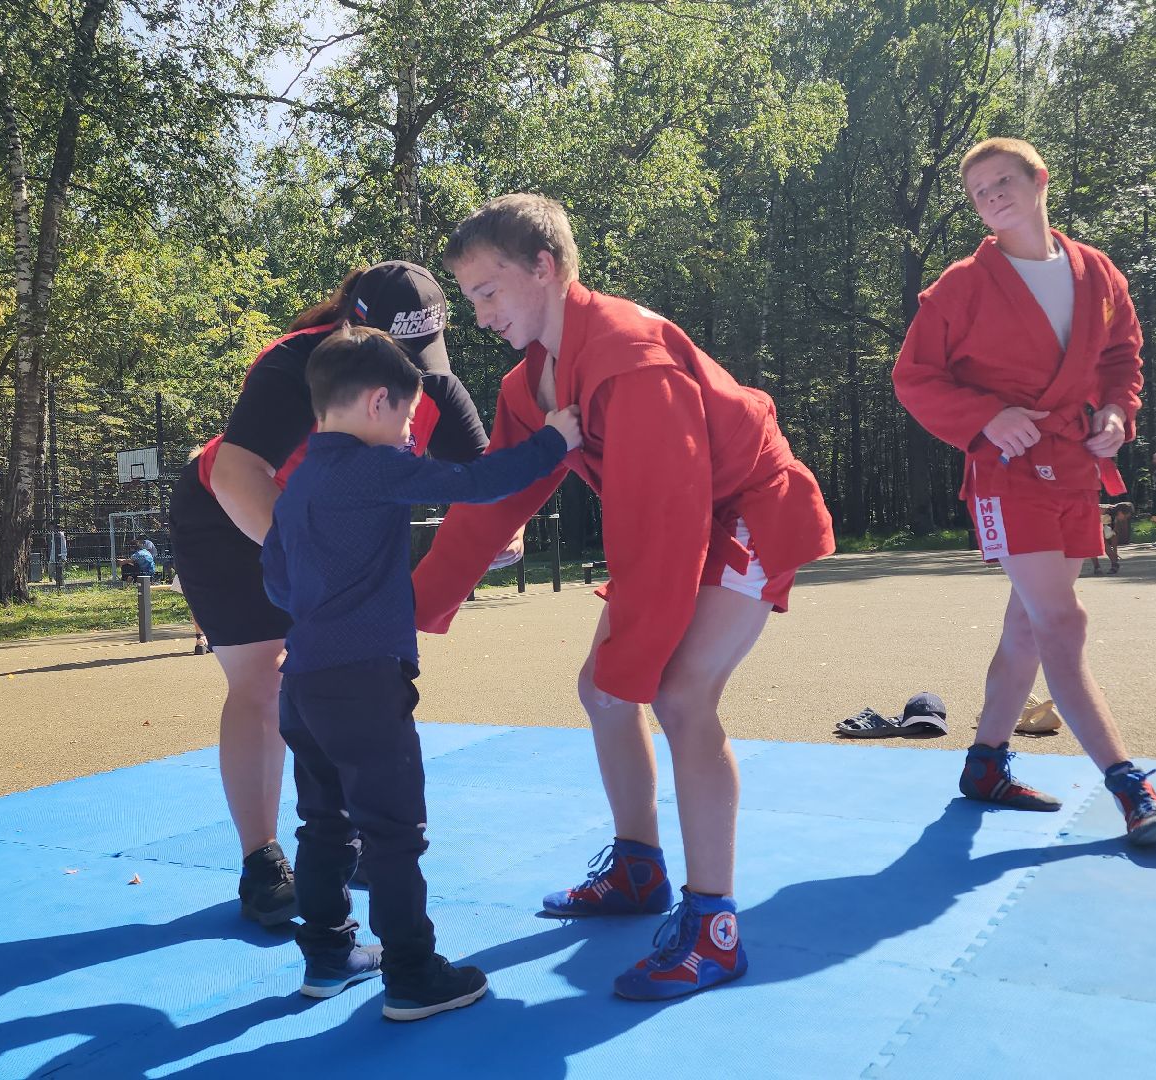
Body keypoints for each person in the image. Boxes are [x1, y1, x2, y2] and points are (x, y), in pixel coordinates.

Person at [411, 194, 836, 1001]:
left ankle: (713, 929)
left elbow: (664, 527)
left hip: (750, 507)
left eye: (490, 291)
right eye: (469, 299)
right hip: (686, 515)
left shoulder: (630, 358)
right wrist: (405, 611)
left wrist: (635, 657)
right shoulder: (528, 384)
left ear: (546, 269)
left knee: (677, 696)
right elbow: (489, 505)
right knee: (601, 692)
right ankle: (638, 867)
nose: (480, 313)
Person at [262, 325, 582, 1019]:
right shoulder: (375, 468)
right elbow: (474, 482)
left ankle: (327, 954)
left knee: (323, 824)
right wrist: (555, 439)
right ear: (379, 402)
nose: (412, 433)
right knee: (393, 832)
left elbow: (278, 583)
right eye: (409, 418)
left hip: (304, 683)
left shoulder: (296, 487)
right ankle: (411, 973)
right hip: (365, 683)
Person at [169, 261, 490, 925]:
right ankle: (262, 861)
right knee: (264, 679)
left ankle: (356, 832)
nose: (407, 377)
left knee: (353, 675)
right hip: (231, 514)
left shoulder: (436, 385)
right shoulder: (295, 365)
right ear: (354, 329)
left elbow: (485, 486)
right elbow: (236, 473)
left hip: (329, 533)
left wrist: (495, 533)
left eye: (418, 359)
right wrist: (311, 564)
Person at [891, 136, 1156, 846]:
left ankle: (986, 764)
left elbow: (1122, 357)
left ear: (1039, 179)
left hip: (1075, 461)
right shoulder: (960, 286)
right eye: (979, 191)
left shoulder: (1098, 272)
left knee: (1028, 625)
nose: (992, 196)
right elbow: (914, 377)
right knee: (1062, 622)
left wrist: (1118, 411)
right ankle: (1128, 785)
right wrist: (988, 417)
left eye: (1002, 181)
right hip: (1005, 470)